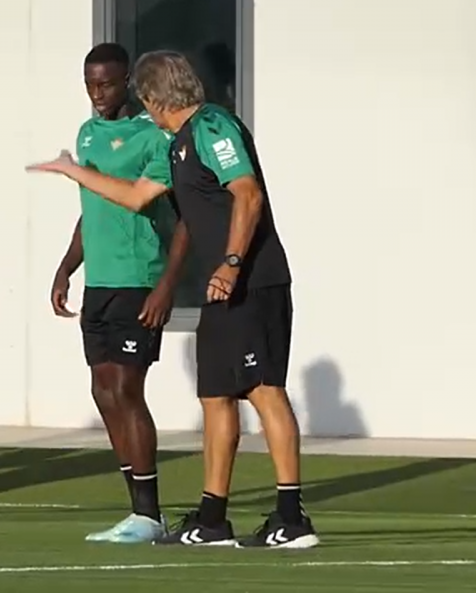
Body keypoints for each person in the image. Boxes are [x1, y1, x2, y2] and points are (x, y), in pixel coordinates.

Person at [28, 50, 319, 549]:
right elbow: (137, 196)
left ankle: (291, 517)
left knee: (264, 388)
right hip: (218, 290)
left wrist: (230, 264)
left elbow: (247, 194)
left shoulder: (213, 126)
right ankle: (212, 518)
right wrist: (72, 172)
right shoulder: (180, 143)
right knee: (215, 398)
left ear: (153, 96)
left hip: (252, 281)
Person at [51, 43, 189, 543]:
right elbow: (92, 208)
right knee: (102, 391)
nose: (97, 94)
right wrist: (68, 267)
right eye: (89, 85)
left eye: (105, 84)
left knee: (129, 390)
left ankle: (149, 514)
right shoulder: (88, 134)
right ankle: (138, 510)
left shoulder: (153, 137)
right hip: (100, 283)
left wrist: (166, 286)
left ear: (128, 81)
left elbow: (185, 223)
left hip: (138, 280)